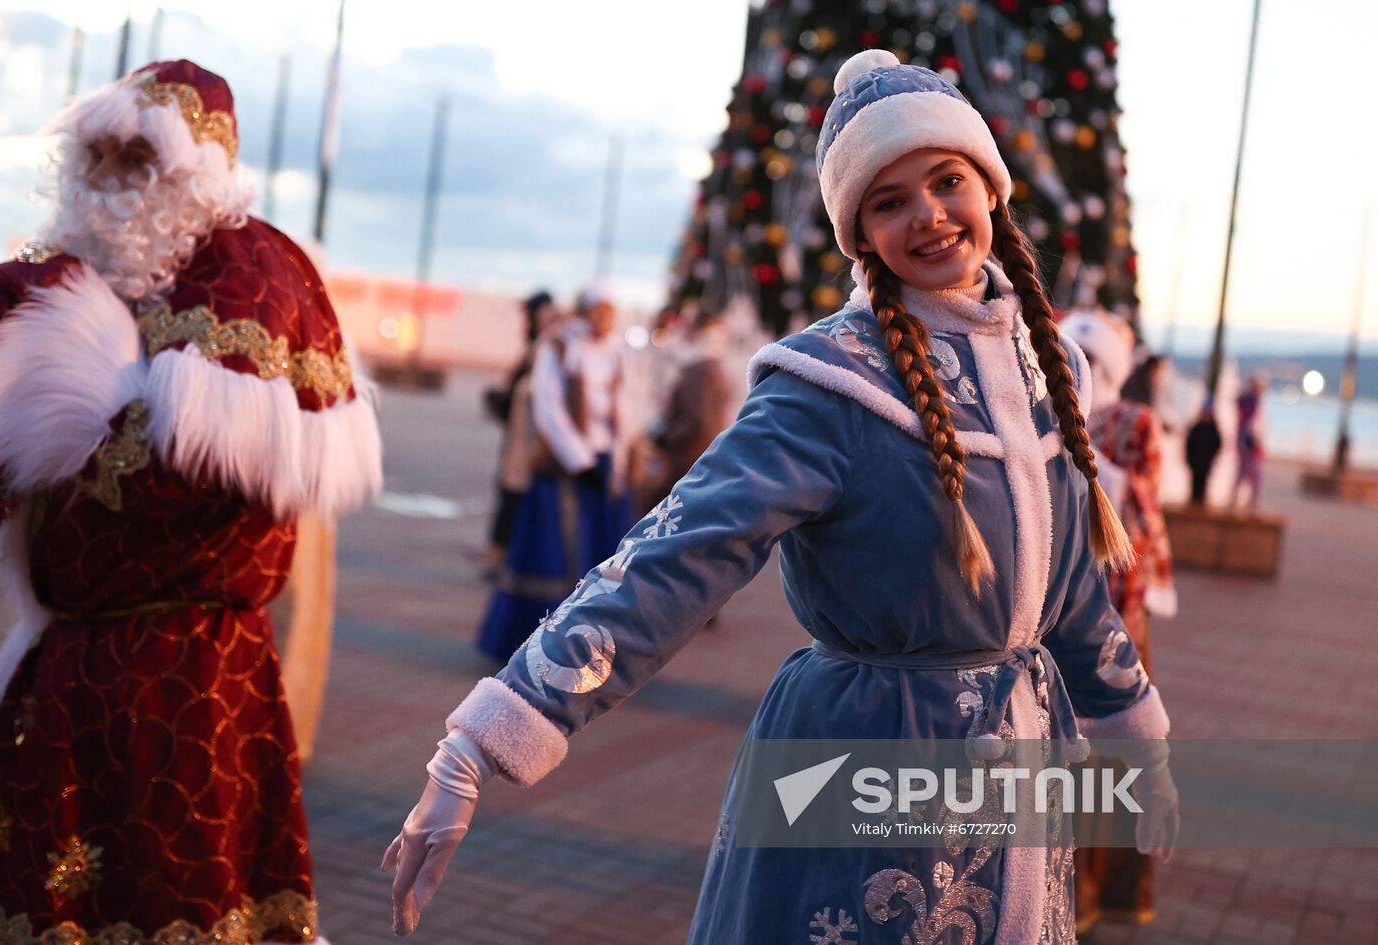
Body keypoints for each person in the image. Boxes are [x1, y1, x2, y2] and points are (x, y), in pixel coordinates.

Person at [389, 51, 1177, 941]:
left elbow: (1068, 591)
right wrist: (488, 736)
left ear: (989, 187)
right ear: (859, 231)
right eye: (888, 200)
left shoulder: (1050, 368)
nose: (927, 215)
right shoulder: (829, 381)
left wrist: (1131, 734)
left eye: (946, 179)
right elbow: (677, 555)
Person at [0, 61, 380, 941]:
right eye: (100, 149)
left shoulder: (256, 277)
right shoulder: (60, 274)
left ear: (197, 168)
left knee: (176, 898)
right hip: (60, 662)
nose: (115, 171)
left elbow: (197, 483)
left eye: (140, 152)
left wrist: (84, 395)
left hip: (190, 673)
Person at [1062, 313, 1177, 932]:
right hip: (1101, 607)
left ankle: (1085, 888)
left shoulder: (1051, 405)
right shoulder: (1124, 422)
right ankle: (1092, 890)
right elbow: (1149, 511)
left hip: (1076, 605)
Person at [475, 281, 636, 662]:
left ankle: (594, 644)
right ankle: (537, 643)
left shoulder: (617, 352)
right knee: (553, 554)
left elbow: (626, 406)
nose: (605, 319)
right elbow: (548, 408)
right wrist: (578, 460)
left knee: (605, 558)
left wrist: (619, 460)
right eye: (599, 310)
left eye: (610, 311)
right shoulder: (560, 346)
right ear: (584, 309)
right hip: (565, 471)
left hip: (603, 467)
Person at [474, 290, 558, 573]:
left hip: (530, 439)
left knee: (518, 494)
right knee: (509, 488)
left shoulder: (548, 350)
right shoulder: (536, 347)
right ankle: (500, 548)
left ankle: (506, 553)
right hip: (518, 435)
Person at [652, 308, 734, 501]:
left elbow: (696, 420)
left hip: (688, 458)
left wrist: (665, 438)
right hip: (697, 455)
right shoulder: (708, 366)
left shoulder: (700, 369)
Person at [1232, 375, 1268, 511]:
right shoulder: (1252, 403)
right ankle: (1249, 503)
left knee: (1243, 474)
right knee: (1253, 476)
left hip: (1246, 444)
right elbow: (1254, 427)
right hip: (1249, 446)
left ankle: (1237, 500)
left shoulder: (1247, 401)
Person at [1184, 399, 1222, 506]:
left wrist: (1212, 456)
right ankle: (1193, 502)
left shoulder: (1213, 429)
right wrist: (1188, 457)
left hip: (1206, 462)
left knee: (1203, 483)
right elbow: (1189, 443)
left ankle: (1200, 503)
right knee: (1195, 483)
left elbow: (1218, 444)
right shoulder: (1196, 427)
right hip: (1195, 461)